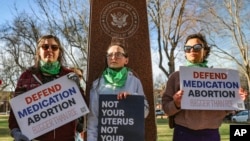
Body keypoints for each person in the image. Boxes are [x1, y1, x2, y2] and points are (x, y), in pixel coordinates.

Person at [161, 33, 248, 141]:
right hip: (183, 133)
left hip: (211, 134)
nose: (192, 50)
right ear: (185, 52)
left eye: (197, 47)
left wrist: (237, 99)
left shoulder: (221, 77)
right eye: (188, 48)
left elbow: (226, 108)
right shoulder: (175, 77)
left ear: (205, 51)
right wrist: (176, 104)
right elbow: (166, 108)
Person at [8, 35, 84, 141]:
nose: (49, 50)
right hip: (34, 138)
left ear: (59, 52)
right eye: (45, 46)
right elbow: (15, 109)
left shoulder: (68, 75)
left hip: (66, 138)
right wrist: (15, 130)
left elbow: (82, 107)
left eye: (54, 47)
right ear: (38, 51)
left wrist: (78, 88)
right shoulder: (27, 76)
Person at [87, 37, 150, 141]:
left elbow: (145, 112)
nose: (113, 57)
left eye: (118, 54)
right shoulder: (97, 85)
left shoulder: (135, 82)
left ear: (126, 60)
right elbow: (93, 119)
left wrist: (133, 101)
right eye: (110, 55)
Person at [69, 67, 86, 141]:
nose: (78, 78)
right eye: (76, 75)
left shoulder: (81, 91)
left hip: (78, 132)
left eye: (80, 76)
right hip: (69, 130)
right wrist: (78, 125)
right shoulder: (64, 91)